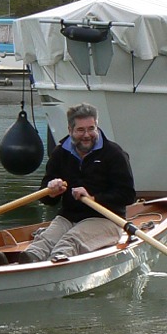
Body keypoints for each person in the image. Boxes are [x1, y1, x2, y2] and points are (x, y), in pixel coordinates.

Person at [19, 103, 136, 263]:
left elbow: (128, 195)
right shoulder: (60, 153)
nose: (87, 135)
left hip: (106, 219)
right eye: (80, 130)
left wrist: (93, 198)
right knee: (42, 242)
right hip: (68, 218)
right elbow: (46, 199)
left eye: (91, 128)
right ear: (70, 130)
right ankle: (21, 267)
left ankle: (53, 270)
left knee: (69, 242)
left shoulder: (114, 154)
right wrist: (52, 191)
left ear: (97, 126)